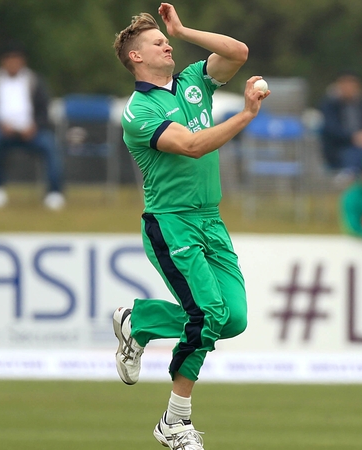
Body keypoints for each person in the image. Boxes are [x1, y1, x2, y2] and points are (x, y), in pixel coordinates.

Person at [111, 4, 268, 449]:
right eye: (157, 41)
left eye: (167, 39)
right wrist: (247, 115)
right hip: (171, 223)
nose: (166, 44)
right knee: (209, 314)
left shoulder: (194, 82)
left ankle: (139, 321)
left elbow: (237, 52)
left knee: (231, 318)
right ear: (136, 58)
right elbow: (194, 146)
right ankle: (175, 422)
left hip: (210, 220)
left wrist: (182, 29)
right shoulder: (138, 112)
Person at [0, 42, 64, 210]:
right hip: (2, 131)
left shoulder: (35, 81)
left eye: (16, 59)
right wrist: (1, 125)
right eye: (9, 59)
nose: (13, 63)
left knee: (50, 144)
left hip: (31, 132)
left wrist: (34, 127)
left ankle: (54, 193)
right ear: (2, 61)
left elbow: (44, 111)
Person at [319, 71, 362, 174]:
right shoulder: (329, 104)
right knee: (356, 154)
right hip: (339, 147)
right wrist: (354, 137)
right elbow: (331, 129)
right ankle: (349, 177)